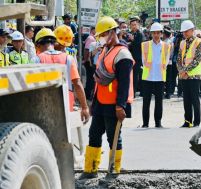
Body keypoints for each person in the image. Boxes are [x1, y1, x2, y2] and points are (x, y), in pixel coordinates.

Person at [79, 17, 134, 179]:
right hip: (101, 102)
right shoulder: (105, 50)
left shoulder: (123, 54)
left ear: (112, 33)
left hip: (114, 104)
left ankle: (113, 169)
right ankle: (90, 168)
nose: (101, 38)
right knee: (94, 134)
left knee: (113, 136)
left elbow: (125, 83)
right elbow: (98, 78)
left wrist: (120, 106)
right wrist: (92, 102)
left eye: (103, 34)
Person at [33, 28, 89, 122]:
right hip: (66, 105)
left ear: (37, 45)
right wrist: (84, 107)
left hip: (44, 106)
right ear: (54, 43)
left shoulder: (36, 60)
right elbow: (77, 84)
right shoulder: (68, 59)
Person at [141, 22, 171, 128]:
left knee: (159, 102)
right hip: (148, 77)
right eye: (154, 33)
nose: (156, 35)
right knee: (146, 102)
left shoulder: (167, 46)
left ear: (162, 34)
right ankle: (145, 123)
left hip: (159, 77)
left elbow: (166, 61)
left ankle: (158, 123)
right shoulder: (145, 45)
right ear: (151, 34)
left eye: (158, 33)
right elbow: (144, 61)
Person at [177, 20, 201, 128]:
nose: (184, 33)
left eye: (186, 31)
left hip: (194, 75)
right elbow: (179, 58)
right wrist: (180, 70)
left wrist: (185, 70)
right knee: (186, 99)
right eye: (183, 32)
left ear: (192, 30)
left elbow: (197, 59)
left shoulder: (199, 42)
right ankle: (187, 121)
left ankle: (197, 122)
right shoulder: (182, 42)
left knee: (195, 99)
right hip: (184, 75)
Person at [128, 16, 145, 97]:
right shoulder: (130, 33)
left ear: (138, 25)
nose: (134, 26)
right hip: (130, 57)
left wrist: (132, 41)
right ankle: (131, 91)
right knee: (131, 75)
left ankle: (133, 92)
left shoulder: (140, 34)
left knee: (136, 76)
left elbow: (140, 45)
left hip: (137, 58)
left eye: (135, 24)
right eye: (132, 25)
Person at [84, 27, 97, 100]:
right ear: (92, 30)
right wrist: (86, 60)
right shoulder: (91, 38)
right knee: (90, 79)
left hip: (90, 61)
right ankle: (88, 95)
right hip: (89, 62)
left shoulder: (92, 38)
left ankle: (88, 95)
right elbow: (87, 50)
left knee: (91, 79)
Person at [162, 26, 174, 99]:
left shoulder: (166, 42)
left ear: (165, 34)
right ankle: (168, 93)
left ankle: (167, 93)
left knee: (166, 78)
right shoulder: (170, 42)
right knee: (168, 78)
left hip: (166, 62)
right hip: (169, 61)